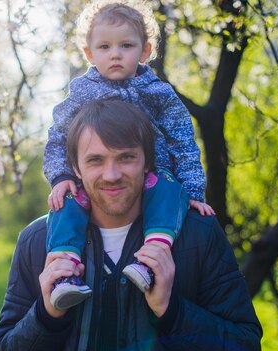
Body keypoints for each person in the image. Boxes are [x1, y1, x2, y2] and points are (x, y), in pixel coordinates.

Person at [0, 100, 262, 351]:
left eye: (126, 158)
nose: (111, 174)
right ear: (75, 167)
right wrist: (47, 312)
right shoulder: (39, 241)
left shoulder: (197, 235)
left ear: (147, 161)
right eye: (95, 160)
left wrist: (171, 310)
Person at [43, 0, 215, 311]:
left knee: (167, 190)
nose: (116, 54)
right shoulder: (82, 92)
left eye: (126, 45)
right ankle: (65, 273)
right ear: (90, 54)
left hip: (153, 176)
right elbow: (57, 136)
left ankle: (151, 260)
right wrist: (61, 176)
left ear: (145, 50)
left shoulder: (159, 93)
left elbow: (183, 142)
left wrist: (192, 192)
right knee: (65, 205)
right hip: (91, 185)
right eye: (105, 47)